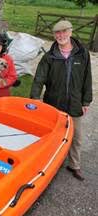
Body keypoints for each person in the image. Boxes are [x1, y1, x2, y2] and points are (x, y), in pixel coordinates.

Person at [30, 20, 92, 181]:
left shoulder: (82, 53)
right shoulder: (49, 56)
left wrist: (86, 101)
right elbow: (39, 78)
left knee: (76, 136)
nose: (61, 35)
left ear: (70, 32)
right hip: (54, 102)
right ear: (54, 36)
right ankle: (50, 164)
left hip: (75, 102)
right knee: (52, 136)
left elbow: (87, 78)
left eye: (64, 32)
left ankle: (74, 165)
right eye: (57, 33)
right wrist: (35, 98)